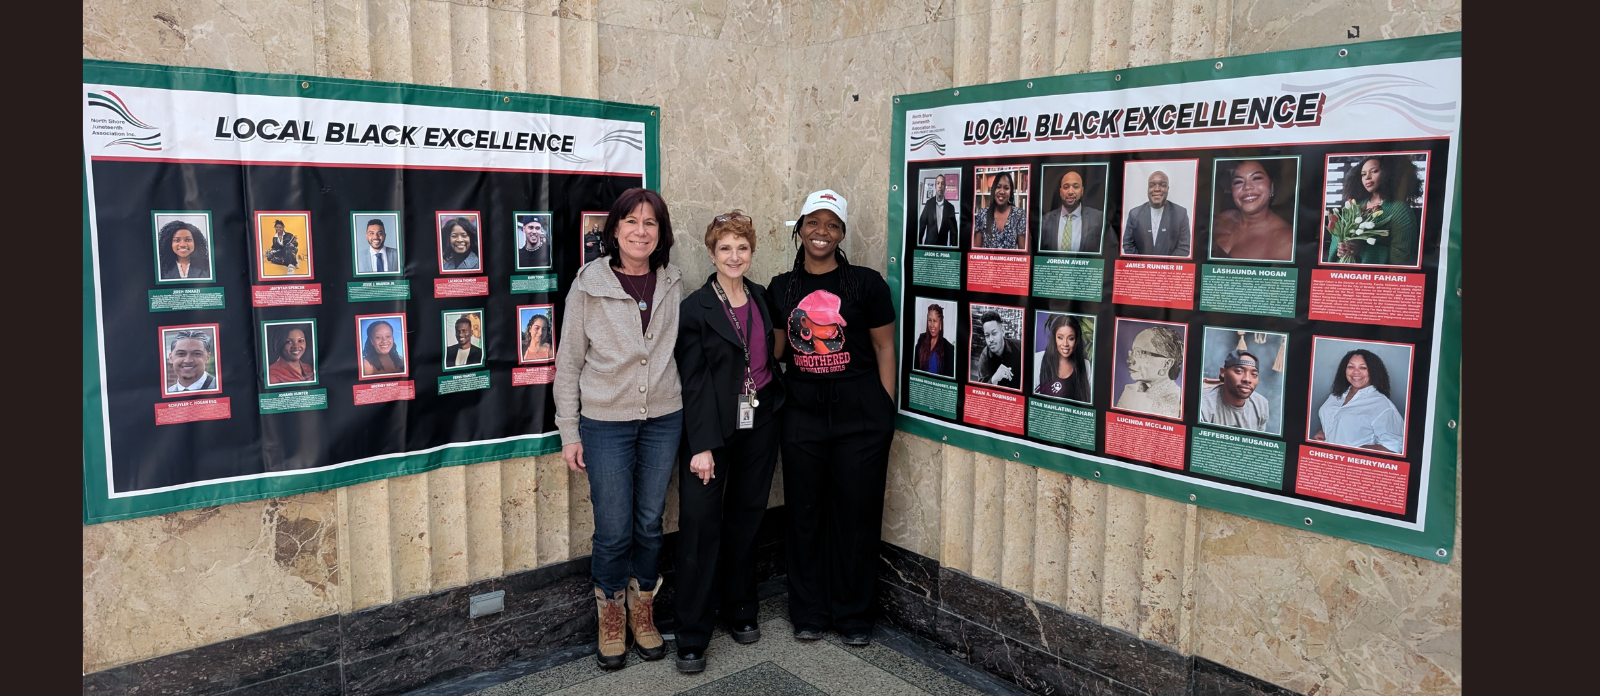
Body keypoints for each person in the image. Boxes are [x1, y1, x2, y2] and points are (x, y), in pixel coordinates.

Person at [554, 188, 682, 669]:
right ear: (614, 230)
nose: (640, 231)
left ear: (661, 233)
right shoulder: (589, 285)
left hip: (663, 419)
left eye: (650, 223)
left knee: (649, 522)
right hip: (605, 423)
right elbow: (569, 363)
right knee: (612, 528)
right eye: (631, 221)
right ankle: (610, 612)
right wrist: (569, 431)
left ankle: (642, 607)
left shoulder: (672, 282)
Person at [768, 189, 896, 648]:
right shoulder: (781, 288)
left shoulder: (866, 284)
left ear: (842, 234)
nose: (821, 232)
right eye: (813, 222)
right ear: (800, 228)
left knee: (856, 515)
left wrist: (885, 408)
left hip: (860, 414)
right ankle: (808, 611)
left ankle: (854, 615)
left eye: (832, 225)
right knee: (803, 513)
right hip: (802, 414)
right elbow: (776, 352)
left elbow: (884, 346)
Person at [671, 210, 788, 674]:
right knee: (700, 526)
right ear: (711, 253)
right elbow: (693, 381)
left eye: (742, 247)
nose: (734, 256)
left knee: (747, 518)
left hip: (759, 422)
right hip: (711, 432)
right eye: (725, 248)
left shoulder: (760, 296)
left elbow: (768, 357)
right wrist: (700, 446)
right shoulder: (695, 308)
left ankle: (741, 607)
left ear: (752, 251)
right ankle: (692, 634)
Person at [1327, 156, 1422, 266]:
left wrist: (1362, 250)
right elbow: (1338, 236)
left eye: (1374, 171)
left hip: (1376, 275)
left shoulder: (1400, 210)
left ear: (1389, 173)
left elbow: (1402, 255)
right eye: (1363, 174)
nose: (1367, 177)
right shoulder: (1354, 205)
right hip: (1342, 272)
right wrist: (1341, 248)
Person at [1312, 349, 1405, 453]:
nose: (1356, 372)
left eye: (1363, 367)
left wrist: (1358, 452)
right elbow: (1336, 418)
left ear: (1373, 371)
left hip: (1350, 462)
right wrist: (1322, 431)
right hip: (1326, 458)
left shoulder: (1382, 405)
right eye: (1351, 367)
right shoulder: (1336, 395)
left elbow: (1395, 446)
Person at [1211, 160, 1293, 261]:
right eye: (1238, 181)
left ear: (1271, 187)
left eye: (1256, 178)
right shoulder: (1221, 220)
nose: (1247, 187)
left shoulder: (1288, 242)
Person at [1115, 325, 1183, 418]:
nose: (1129, 360)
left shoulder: (1175, 400)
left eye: (1139, 353)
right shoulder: (1130, 391)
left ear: (1166, 364)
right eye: (1132, 353)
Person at [1121, 171, 1191, 257]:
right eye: (1152, 185)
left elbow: (1183, 248)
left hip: (1169, 266)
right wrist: (1143, 263)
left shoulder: (1180, 214)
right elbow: (1128, 244)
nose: (1157, 189)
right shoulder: (1134, 214)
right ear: (1147, 189)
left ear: (1168, 189)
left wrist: (1164, 264)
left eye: (1162, 185)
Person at [1200, 349, 1269, 431]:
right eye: (1239, 371)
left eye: (1254, 374)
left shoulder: (1261, 405)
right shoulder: (1203, 404)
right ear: (1223, 372)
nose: (1247, 379)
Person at [1039, 170, 1103, 253]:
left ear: (1082, 191)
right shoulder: (1045, 221)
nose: (1070, 192)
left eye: (1076, 187)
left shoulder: (1098, 218)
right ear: (1060, 191)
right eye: (1066, 187)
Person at [1034, 314, 1090, 402]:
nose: (1065, 344)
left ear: (1076, 340)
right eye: (1060, 338)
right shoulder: (1037, 360)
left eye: (1070, 338)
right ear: (1054, 338)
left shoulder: (1086, 366)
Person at [971, 170, 1026, 250]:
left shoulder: (1019, 215)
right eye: (998, 187)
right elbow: (977, 250)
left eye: (1006, 188)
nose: (1002, 191)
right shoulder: (982, 214)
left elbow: (1022, 251)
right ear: (993, 189)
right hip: (988, 258)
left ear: (1011, 192)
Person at [972, 310, 1021, 389]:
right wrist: (994, 379)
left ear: (1003, 332)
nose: (990, 339)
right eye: (987, 335)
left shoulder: (1019, 348)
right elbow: (981, 390)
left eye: (994, 333)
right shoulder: (985, 357)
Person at [166, 329, 218, 393]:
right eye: (181, 354)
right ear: (171, 358)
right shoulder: (168, 393)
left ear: (207, 357)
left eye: (196, 354)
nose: (188, 360)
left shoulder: (223, 388)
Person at [911, 303, 954, 376]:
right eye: (929, 320)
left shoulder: (948, 348)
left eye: (935, 321)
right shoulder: (922, 339)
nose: (931, 325)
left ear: (940, 323)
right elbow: (914, 366)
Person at [916, 174, 957, 247]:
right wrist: (918, 246)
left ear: (945, 187)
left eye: (942, 183)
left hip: (942, 249)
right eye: (938, 183)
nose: (940, 186)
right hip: (928, 248)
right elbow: (921, 227)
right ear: (935, 186)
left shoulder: (950, 208)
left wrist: (953, 249)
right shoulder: (929, 204)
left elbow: (953, 232)